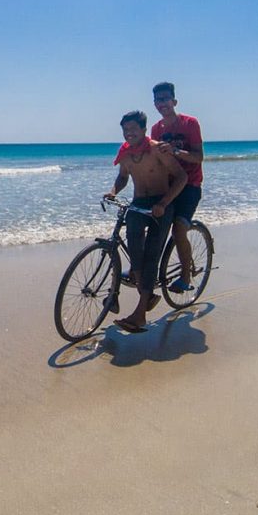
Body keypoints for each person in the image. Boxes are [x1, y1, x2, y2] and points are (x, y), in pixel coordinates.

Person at [105, 110, 187, 333]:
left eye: (133, 129)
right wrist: (113, 191)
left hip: (161, 204)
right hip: (139, 203)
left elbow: (182, 177)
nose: (128, 133)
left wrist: (164, 203)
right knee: (135, 251)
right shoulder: (125, 153)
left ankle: (140, 314)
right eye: (125, 130)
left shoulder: (157, 149)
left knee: (151, 254)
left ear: (143, 129)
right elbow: (123, 177)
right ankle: (147, 292)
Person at [149, 82, 204, 293]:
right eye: (157, 100)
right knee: (151, 221)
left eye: (165, 99)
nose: (161, 103)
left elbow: (199, 157)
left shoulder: (190, 124)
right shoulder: (156, 129)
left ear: (174, 101)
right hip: (168, 185)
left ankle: (185, 276)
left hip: (190, 184)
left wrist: (175, 152)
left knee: (179, 228)